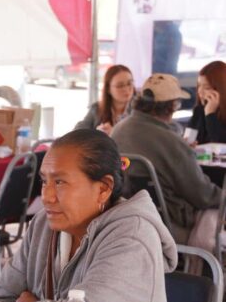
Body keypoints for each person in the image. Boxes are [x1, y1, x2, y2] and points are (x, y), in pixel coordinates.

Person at [0, 129, 177, 302]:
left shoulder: (133, 237)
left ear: (103, 188)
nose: (46, 196)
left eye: (60, 182)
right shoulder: (43, 224)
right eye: (44, 181)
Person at [112, 73, 222, 253]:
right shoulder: (169, 140)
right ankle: (203, 274)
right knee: (215, 212)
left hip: (126, 217)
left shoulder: (119, 129)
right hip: (166, 223)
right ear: (173, 105)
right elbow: (202, 196)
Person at [74, 64, 135, 134]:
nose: (126, 89)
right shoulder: (97, 109)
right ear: (108, 89)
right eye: (120, 86)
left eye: (130, 83)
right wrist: (95, 133)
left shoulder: (140, 110)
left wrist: (114, 133)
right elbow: (77, 132)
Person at [187, 60, 226, 144]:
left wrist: (210, 114)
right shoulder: (199, 109)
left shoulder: (209, 110)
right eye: (199, 85)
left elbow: (220, 144)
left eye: (207, 87)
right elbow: (188, 139)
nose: (200, 91)